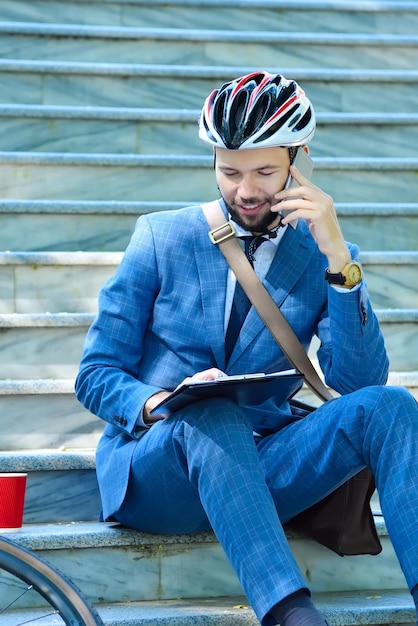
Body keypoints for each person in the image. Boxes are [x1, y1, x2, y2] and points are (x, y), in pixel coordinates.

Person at [75, 71, 418, 626]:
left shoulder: (324, 253)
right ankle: (291, 614)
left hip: (264, 468)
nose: (246, 190)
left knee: (393, 407)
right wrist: (166, 401)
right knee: (211, 410)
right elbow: (95, 373)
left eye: (264, 170)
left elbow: (358, 386)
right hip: (162, 470)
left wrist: (337, 258)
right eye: (230, 171)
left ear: (297, 159)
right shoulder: (161, 236)